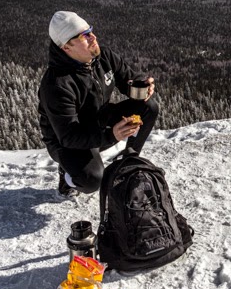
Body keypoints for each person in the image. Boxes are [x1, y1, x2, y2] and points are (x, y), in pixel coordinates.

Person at [38, 11, 158, 196]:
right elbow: (69, 136)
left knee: (148, 107)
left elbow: (128, 79)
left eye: (90, 30)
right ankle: (67, 175)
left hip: (99, 119)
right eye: (84, 35)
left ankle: (129, 160)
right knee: (92, 179)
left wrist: (142, 87)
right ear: (66, 47)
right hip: (67, 142)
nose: (93, 36)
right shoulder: (57, 84)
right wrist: (112, 134)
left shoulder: (103, 57)